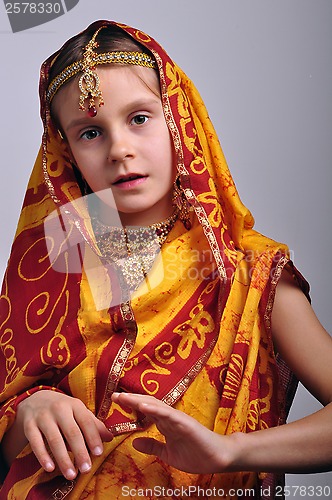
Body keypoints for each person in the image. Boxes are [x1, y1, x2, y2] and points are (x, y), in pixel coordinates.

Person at [0, 19, 331, 500]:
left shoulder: (249, 274)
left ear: (179, 119)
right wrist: (28, 412)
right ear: (64, 152)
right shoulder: (51, 273)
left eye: (139, 118)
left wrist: (231, 451)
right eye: (90, 132)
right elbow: (10, 438)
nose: (120, 149)